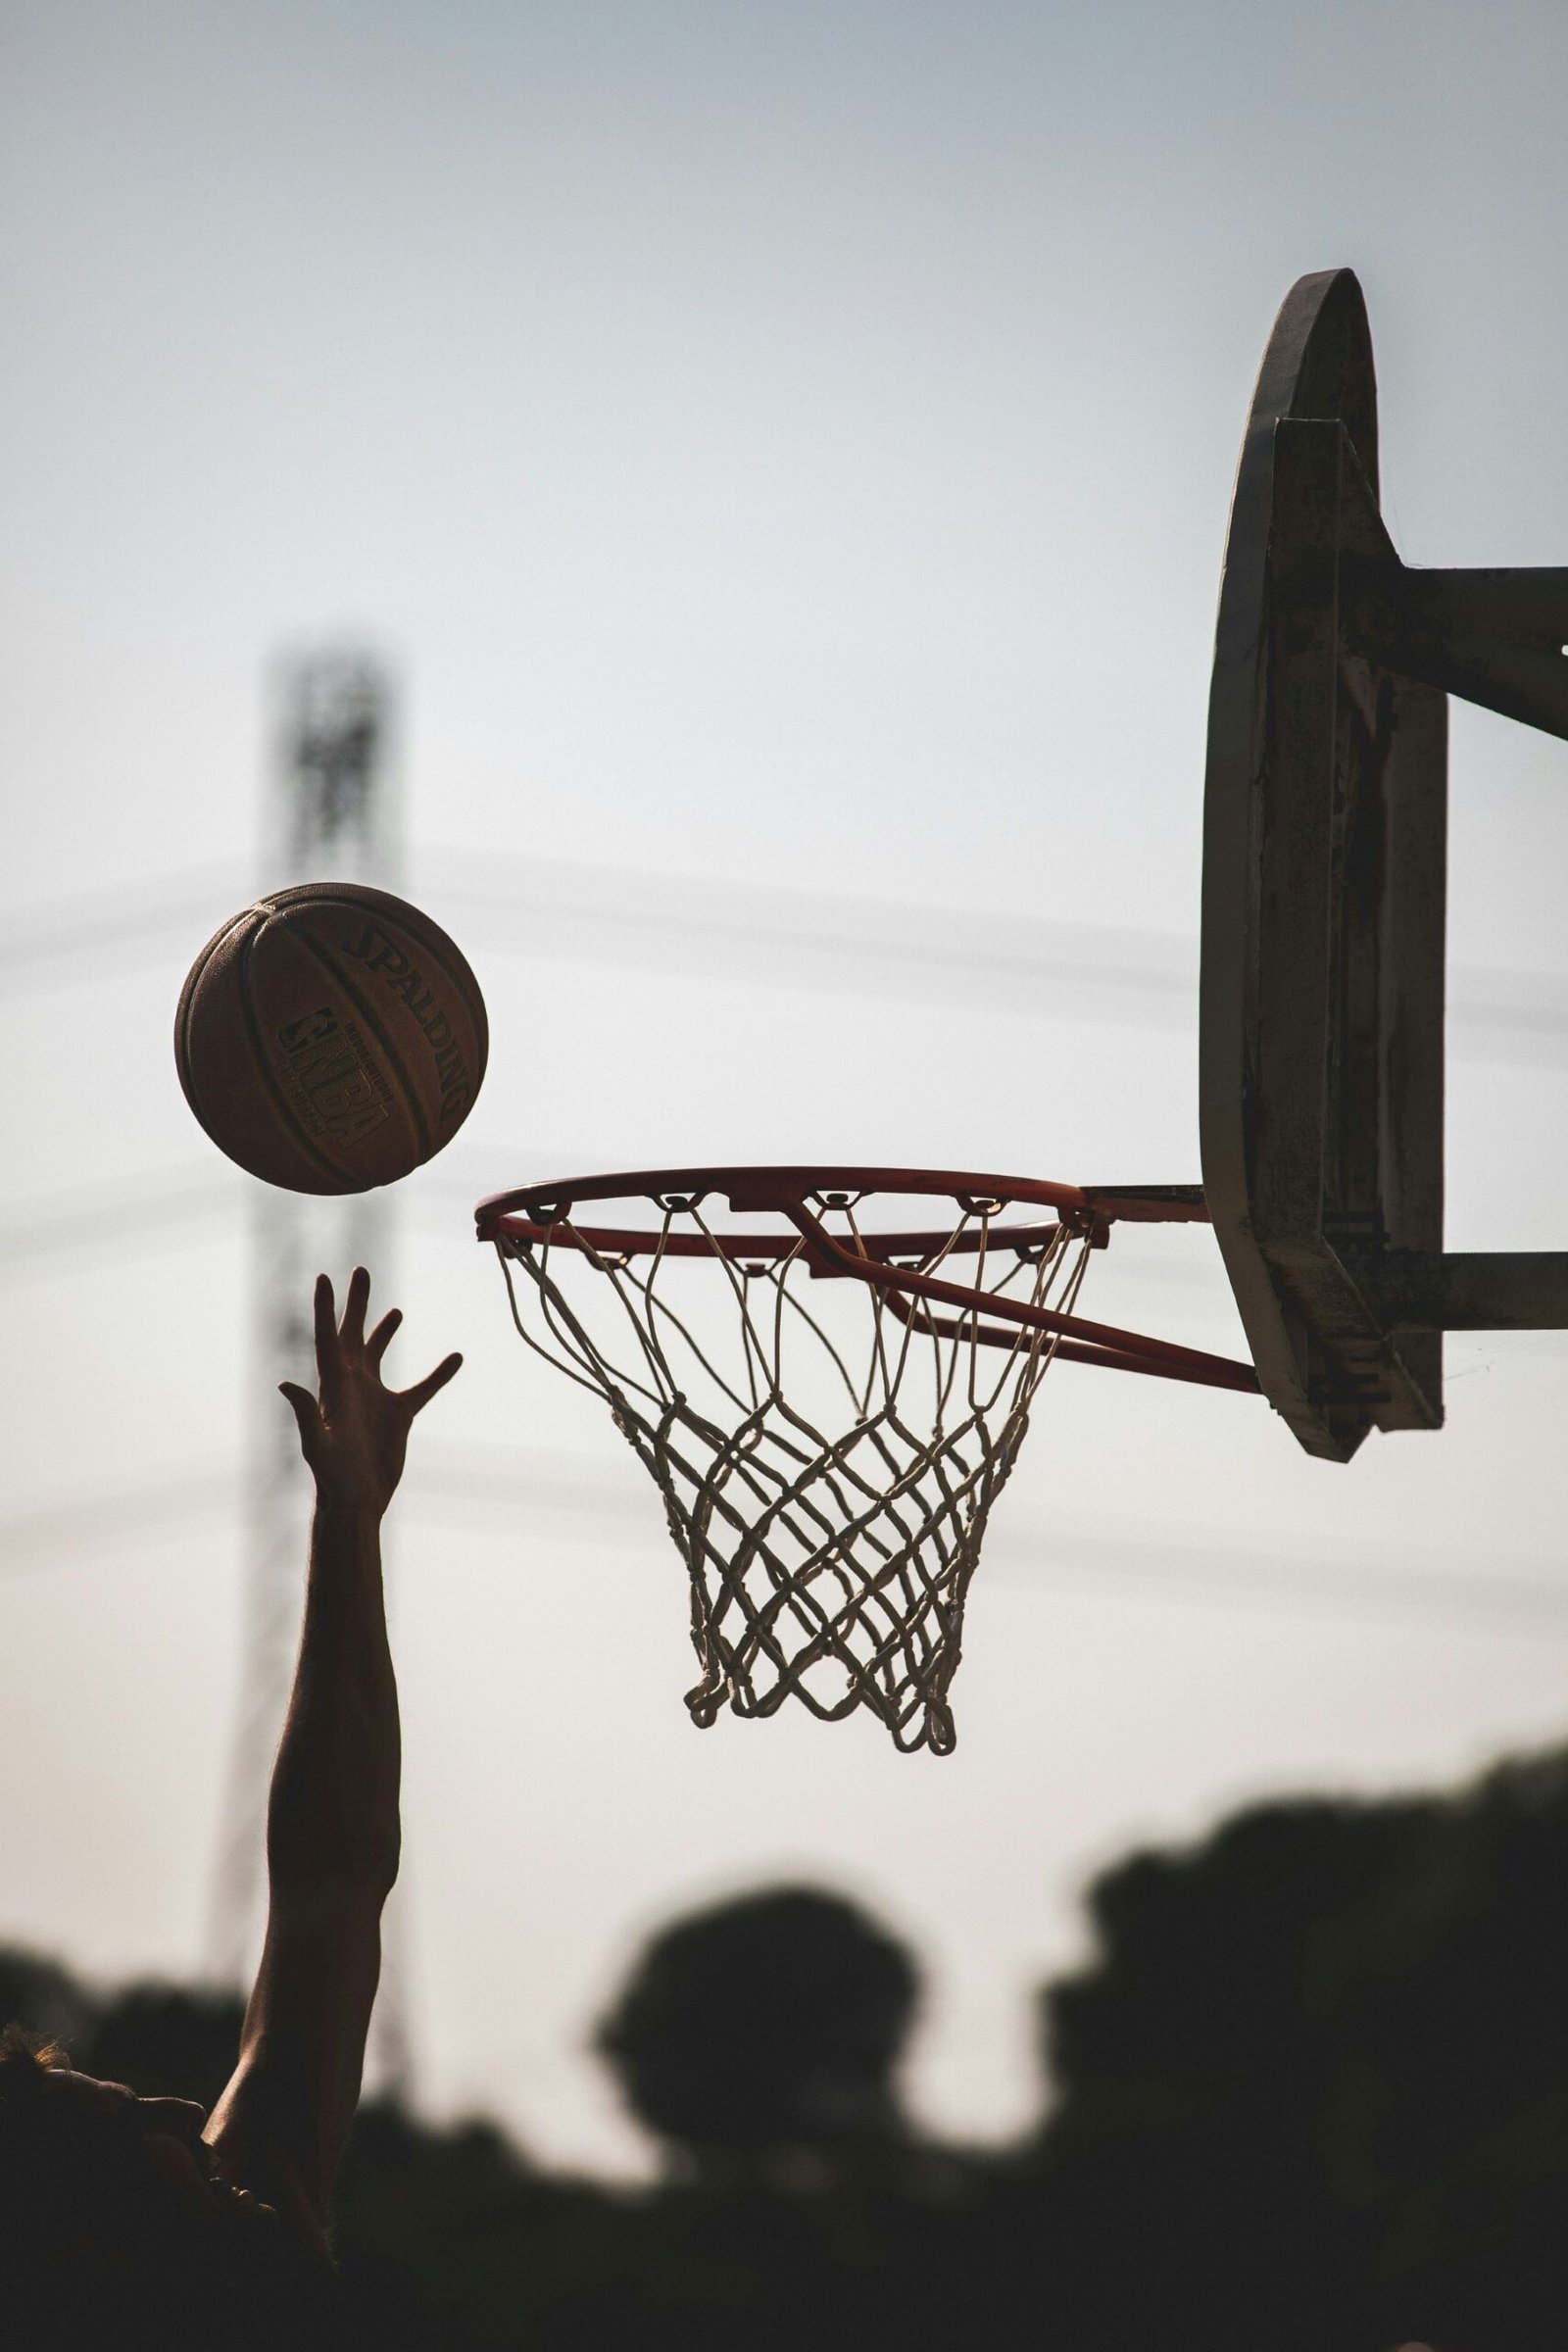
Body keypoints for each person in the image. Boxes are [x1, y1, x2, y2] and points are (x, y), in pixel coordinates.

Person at [0, 1269, 460, 2349]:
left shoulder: (230, 2244)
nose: (180, 2114)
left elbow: (331, 1884)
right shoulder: (210, 2272)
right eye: (127, 2130)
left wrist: (348, 1520)